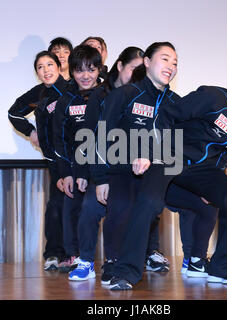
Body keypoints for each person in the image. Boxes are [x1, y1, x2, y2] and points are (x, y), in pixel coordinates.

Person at [109, 57, 227, 290]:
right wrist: (148, 152)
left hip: (202, 169)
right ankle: (126, 272)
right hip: (170, 156)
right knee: (149, 202)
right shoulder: (215, 97)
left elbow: (222, 153)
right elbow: (166, 115)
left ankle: (224, 269)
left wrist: (209, 189)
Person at [85, 41, 179, 286]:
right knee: (120, 211)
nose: (171, 66)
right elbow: (101, 136)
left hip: (155, 172)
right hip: (120, 170)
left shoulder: (174, 102)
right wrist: (101, 178)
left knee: (148, 209)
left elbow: (175, 143)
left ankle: (142, 262)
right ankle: (114, 262)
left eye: (175, 62)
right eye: (165, 59)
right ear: (147, 62)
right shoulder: (124, 94)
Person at [68, 46, 155, 282]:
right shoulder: (100, 94)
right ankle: (86, 261)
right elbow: (90, 135)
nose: (138, 74)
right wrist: (89, 174)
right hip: (103, 168)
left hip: (132, 171)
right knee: (90, 209)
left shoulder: (145, 95)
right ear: (119, 66)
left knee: (142, 207)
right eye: (134, 69)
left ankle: (130, 260)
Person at [7, 51, 70, 271]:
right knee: (56, 206)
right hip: (54, 161)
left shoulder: (72, 89)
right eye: (40, 67)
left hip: (77, 160)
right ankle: (54, 254)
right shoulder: (39, 93)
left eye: (50, 64)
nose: (46, 70)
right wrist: (32, 133)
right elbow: (14, 113)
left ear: (60, 66)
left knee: (78, 207)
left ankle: (75, 255)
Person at [52, 44, 103, 273]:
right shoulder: (66, 101)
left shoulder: (109, 96)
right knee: (71, 210)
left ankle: (116, 258)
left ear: (99, 70)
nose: (86, 76)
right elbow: (59, 140)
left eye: (91, 70)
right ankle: (76, 257)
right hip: (75, 165)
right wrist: (65, 173)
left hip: (104, 165)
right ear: (72, 71)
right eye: (80, 70)